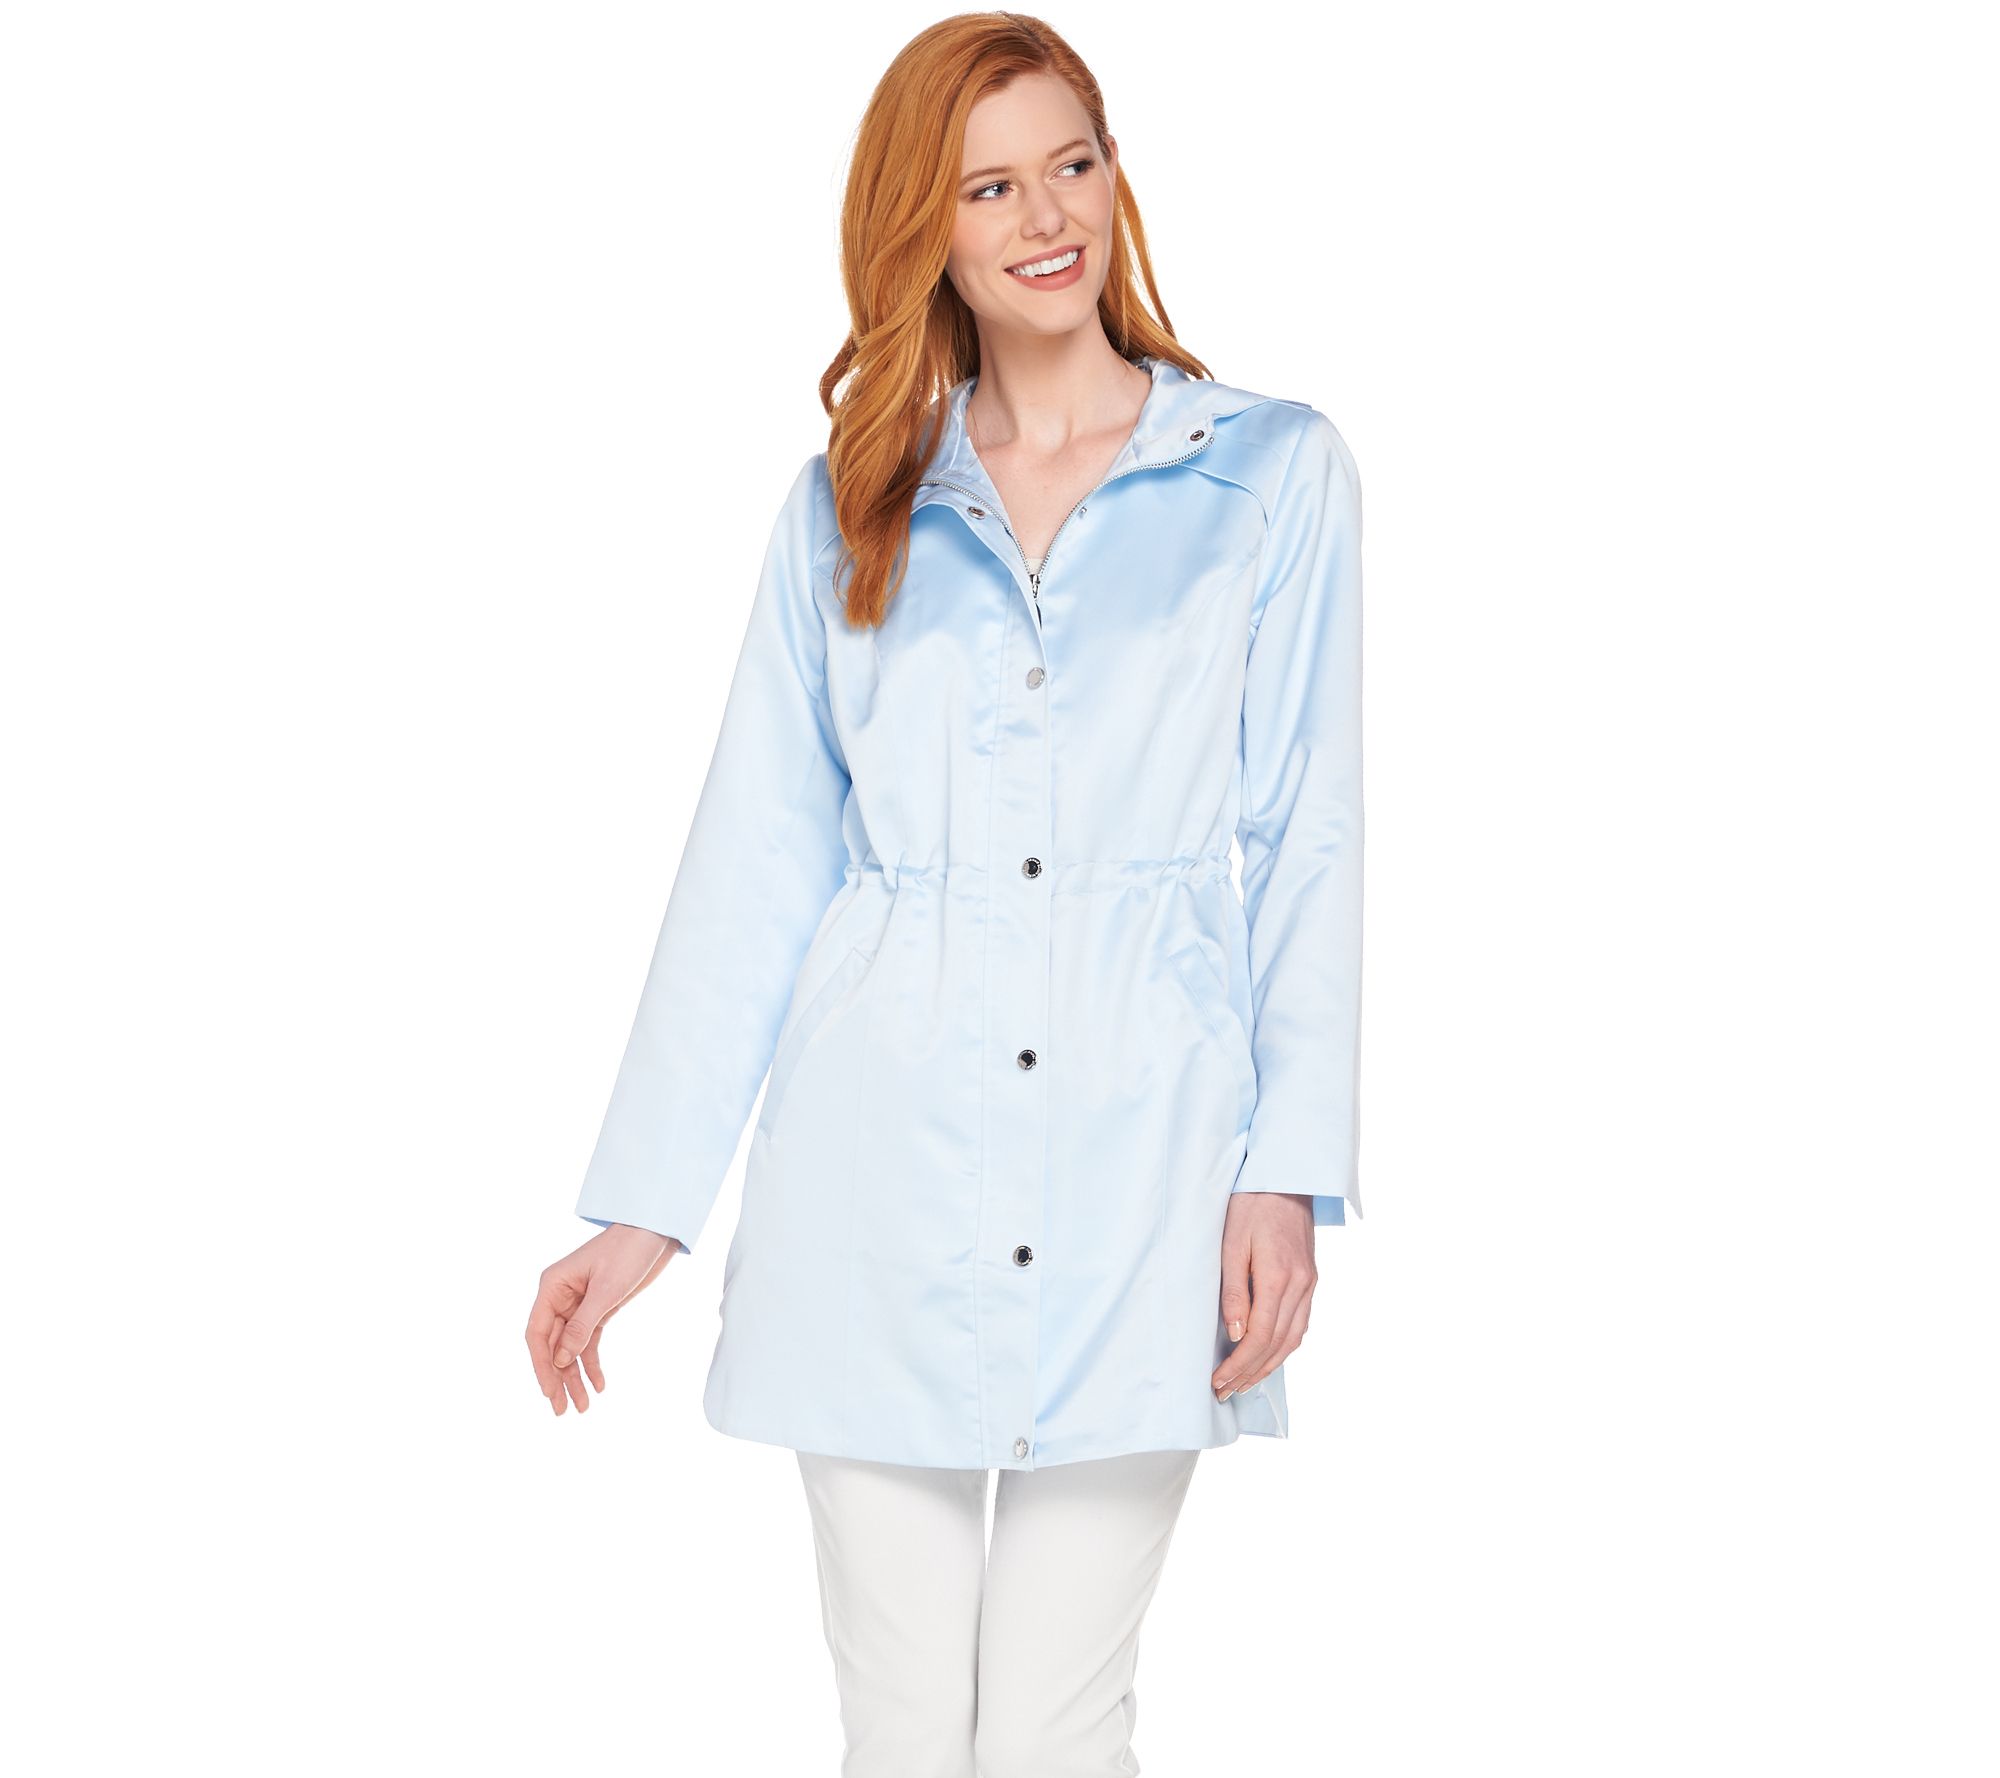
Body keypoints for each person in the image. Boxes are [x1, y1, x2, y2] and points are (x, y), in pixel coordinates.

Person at [525, 13, 1364, 1774]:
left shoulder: (1269, 475)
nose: (1047, 216)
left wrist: (1285, 1168)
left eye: (1073, 163)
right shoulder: (853, 504)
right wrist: (644, 1210)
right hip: (875, 1186)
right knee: (904, 1729)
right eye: (990, 187)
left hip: (1147, 1175)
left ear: (1116, 175)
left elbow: (1308, 835)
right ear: (926, 224)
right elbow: (758, 856)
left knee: (1057, 1723)